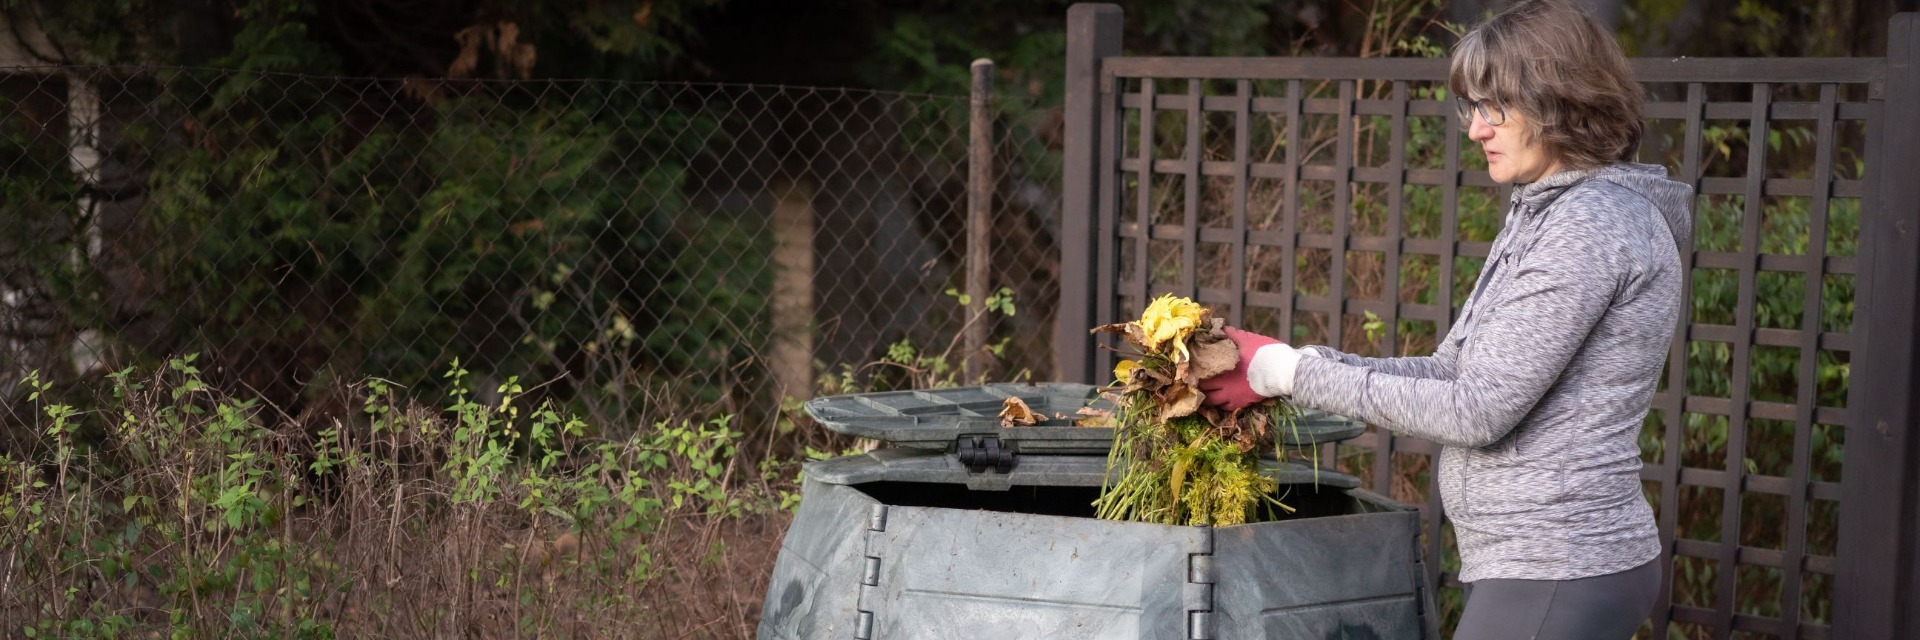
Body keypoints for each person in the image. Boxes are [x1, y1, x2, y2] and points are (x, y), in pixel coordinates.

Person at [1198, 1, 1690, 638]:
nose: (1476, 129)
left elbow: (1479, 411)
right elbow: (1450, 369)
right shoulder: (1545, 212)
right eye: (1471, 108)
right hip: (1538, 564)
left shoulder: (1588, 225)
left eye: (1494, 108)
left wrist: (1289, 374)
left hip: (1561, 564)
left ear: (1560, 99)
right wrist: (1305, 364)